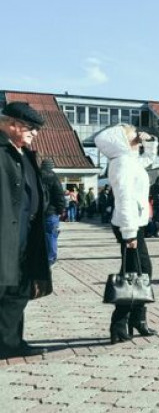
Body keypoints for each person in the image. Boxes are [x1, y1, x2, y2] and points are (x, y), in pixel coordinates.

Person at [94, 123, 159, 343]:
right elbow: (124, 199)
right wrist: (129, 233)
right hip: (128, 224)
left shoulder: (129, 161)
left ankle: (137, 320)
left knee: (139, 272)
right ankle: (120, 324)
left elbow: (147, 160)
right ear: (120, 140)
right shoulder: (122, 163)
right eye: (132, 134)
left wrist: (149, 143)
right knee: (133, 274)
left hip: (133, 223)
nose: (137, 136)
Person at [0, 102, 52, 359]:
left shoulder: (23, 153)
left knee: (18, 289)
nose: (35, 134)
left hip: (23, 234)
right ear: (13, 124)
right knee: (5, 289)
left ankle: (10, 342)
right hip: (5, 234)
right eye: (31, 129)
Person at [40, 159, 65, 266]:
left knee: (40, 236)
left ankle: (41, 257)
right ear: (51, 166)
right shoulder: (54, 177)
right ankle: (51, 259)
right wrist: (61, 210)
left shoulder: (37, 175)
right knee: (51, 235)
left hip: (38, 212)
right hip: (51, 212)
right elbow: (59, 195)